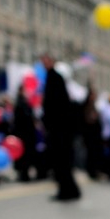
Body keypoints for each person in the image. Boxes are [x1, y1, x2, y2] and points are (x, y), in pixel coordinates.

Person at [40, 53, 81, 201]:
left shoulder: (54, 78)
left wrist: (48, 122)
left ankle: (67, 191)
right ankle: (70, 190)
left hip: (59, 130)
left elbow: (53, 106)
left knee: (61, 162)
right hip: (61, 129)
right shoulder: (55, 79)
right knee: (63, 162)